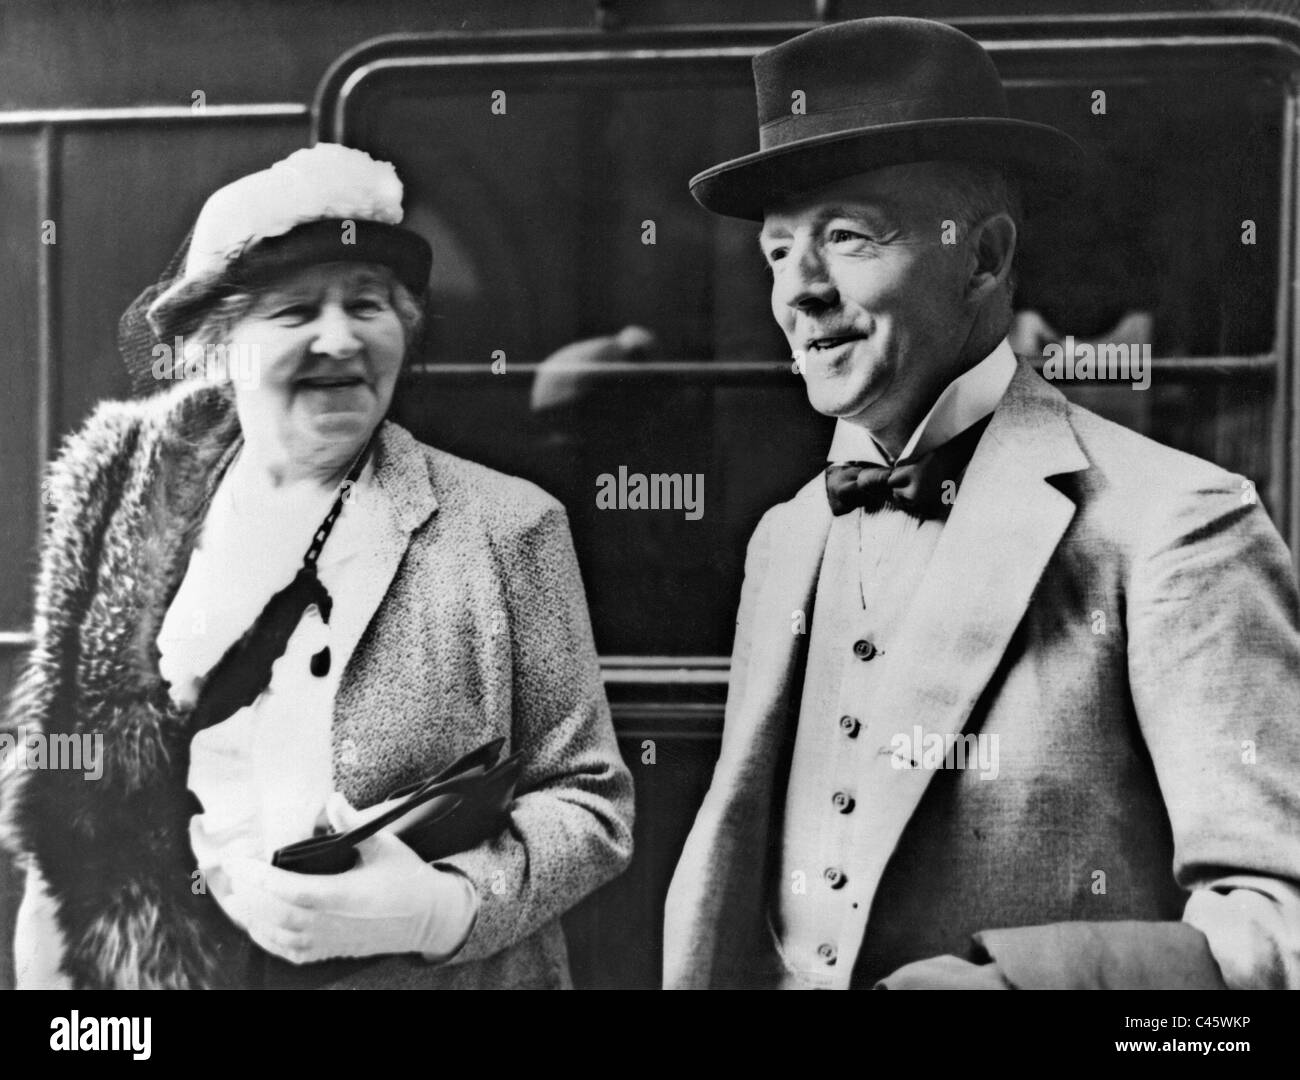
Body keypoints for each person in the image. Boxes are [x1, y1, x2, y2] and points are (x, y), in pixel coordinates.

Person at [663, 17, 1300, 989]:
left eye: (845, 237)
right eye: (778, 252)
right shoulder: (786, 536)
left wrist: (1014, 987)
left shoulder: (1179, 527)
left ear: (985, 258)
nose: (801, 292)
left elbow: (1277, 924)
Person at [0, 143, 634, 990]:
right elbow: (68, 814)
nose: (339, 337)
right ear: (220, 349)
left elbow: (592, 801)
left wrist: (440, 908)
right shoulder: (125, 521)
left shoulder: (507, 527)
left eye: (367, 305)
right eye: (296, 312)